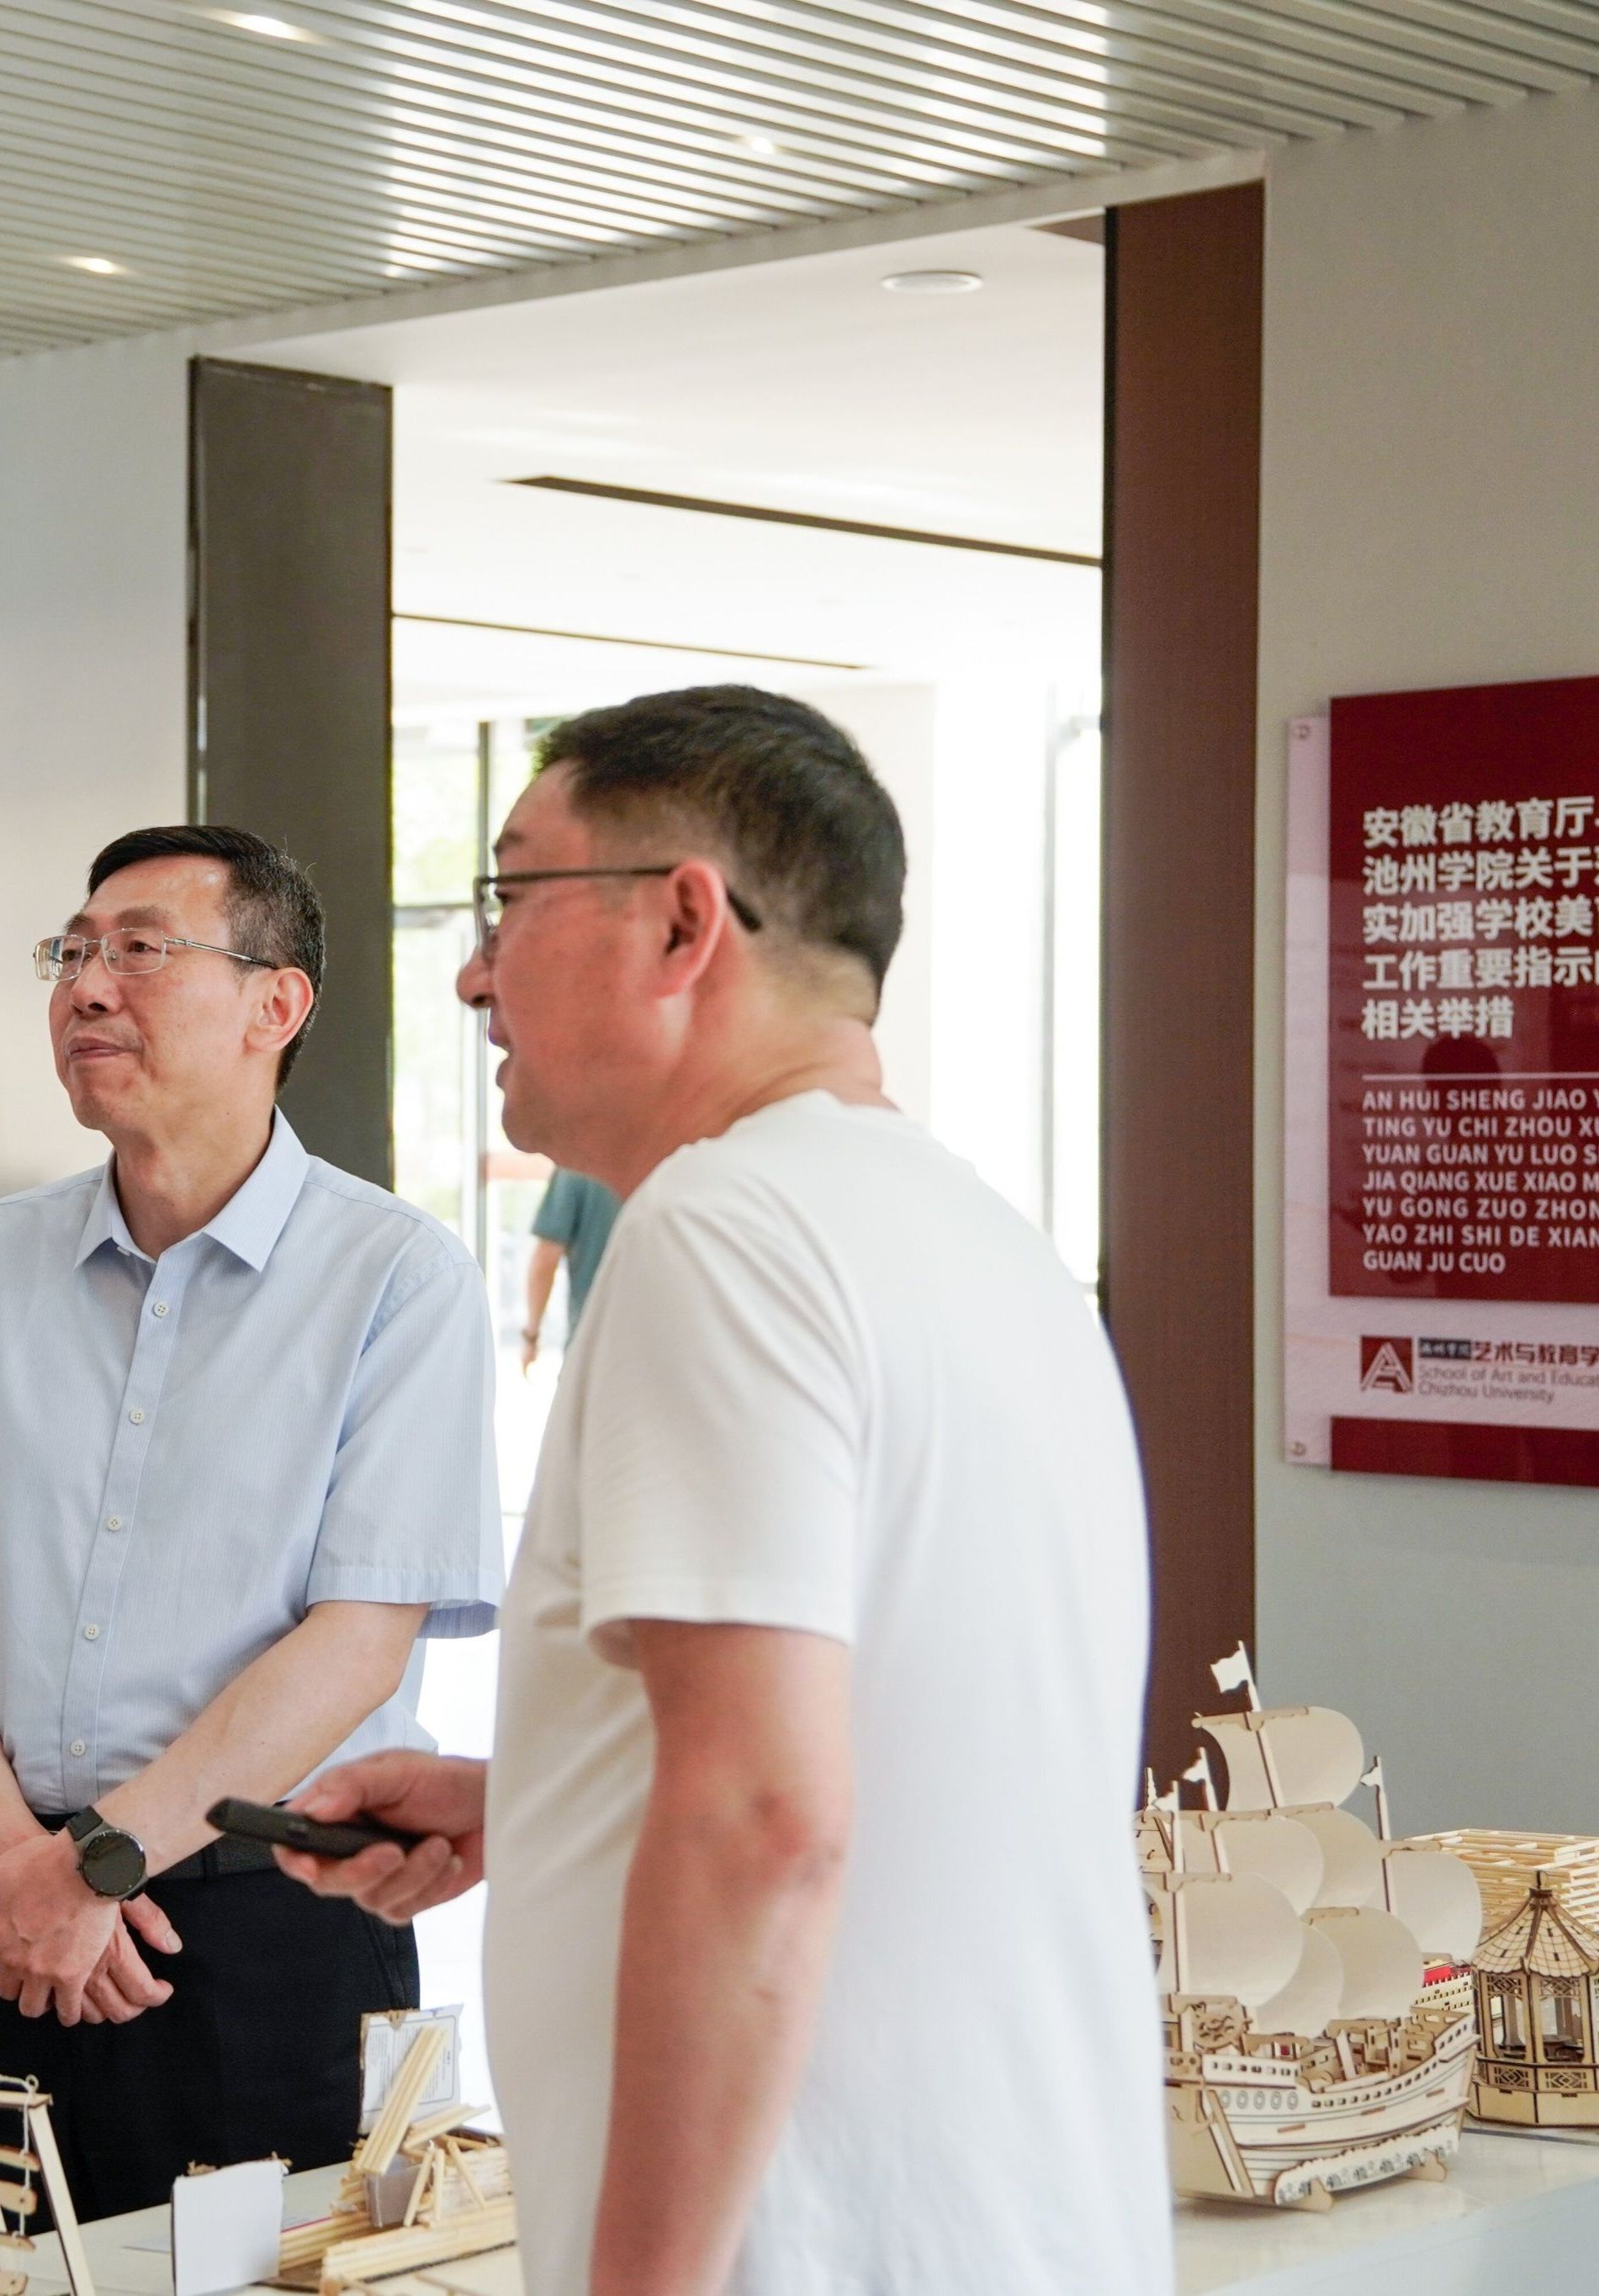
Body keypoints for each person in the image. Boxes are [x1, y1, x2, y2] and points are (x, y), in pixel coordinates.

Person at [279, 688, 1168, 2296]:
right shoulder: (982, 1244)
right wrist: (536, 1798)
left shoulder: (721, 1232)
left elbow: (764, 1821)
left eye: (510, 895)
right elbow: (904, 1748)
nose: (473, 972)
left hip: (808, 2249)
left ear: (683, 923)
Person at [0, 823, 503, 2251]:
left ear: (276, 1003)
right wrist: (19, 1865)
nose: (87, 986)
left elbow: (358, 1636)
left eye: (139, 950)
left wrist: (97, 1865)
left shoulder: (396, 1278)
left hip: (264, 1926)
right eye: (72, 953)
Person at [521, 1170, 621, 1370]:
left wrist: (532, 1335)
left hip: (592, 1348)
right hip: (663, 1345)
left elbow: (545, 1262)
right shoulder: (673, 1158)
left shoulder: (575, 1167)